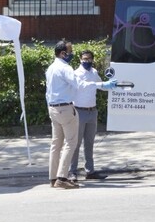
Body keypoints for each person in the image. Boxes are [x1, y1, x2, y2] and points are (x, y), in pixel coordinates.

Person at [69, 49, 112, 180]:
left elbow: (101, 86)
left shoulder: (94, 73)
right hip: (79, 111)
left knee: (89, 143)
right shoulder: (75, 74)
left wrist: (111, 85)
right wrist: (101, 84)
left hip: (92, 111)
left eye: (89, 59)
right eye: (84, 59)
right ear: (80, 59)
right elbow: (84, 86)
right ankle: (72, 172)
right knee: (75, 144)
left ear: (92, 60)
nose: (86, 61)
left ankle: (90, 171)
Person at [44, 39, 81, 189]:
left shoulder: (51, 68)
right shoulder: (65, 68)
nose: (72, 54)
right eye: (70, 51)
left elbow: (48, 92)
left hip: (53, 108)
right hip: (65, 109)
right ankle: (62, 177)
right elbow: (79, 84)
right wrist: (101, 85)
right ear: (63, 53)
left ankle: (53, 178)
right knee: (70, 142)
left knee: (56, 144)